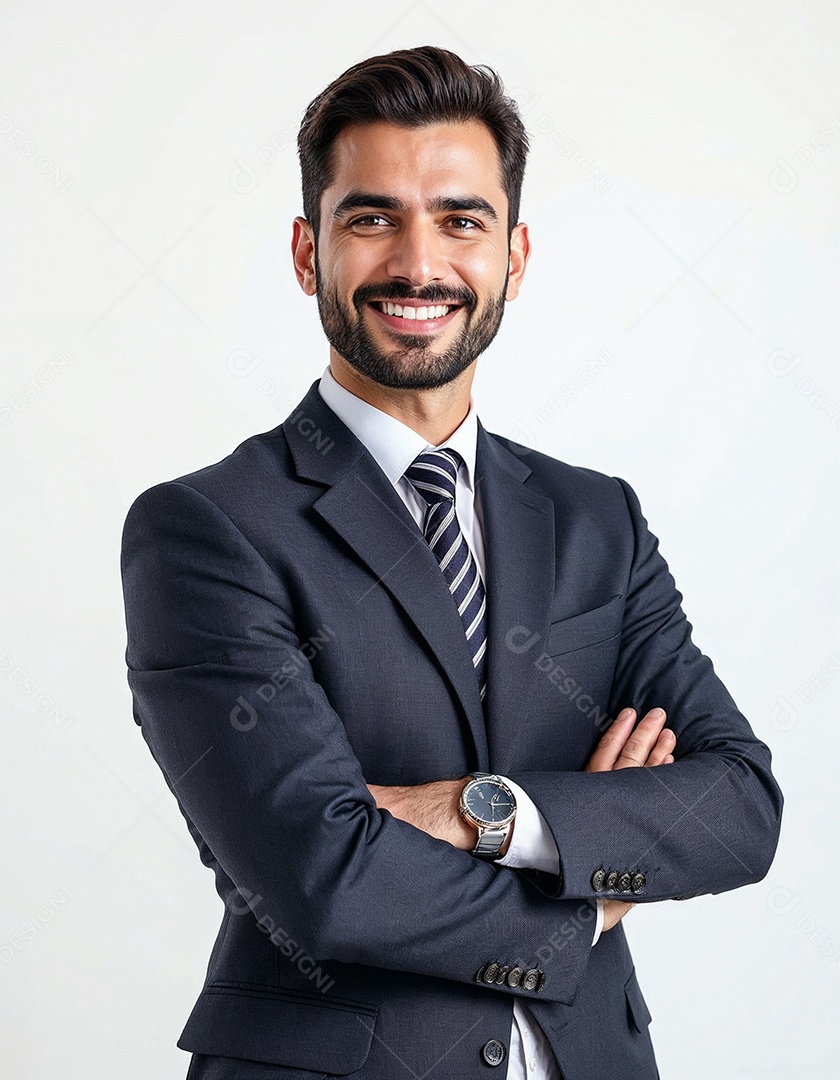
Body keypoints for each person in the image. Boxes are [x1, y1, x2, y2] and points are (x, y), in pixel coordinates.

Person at [120, 45, 783, 1080]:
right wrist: (594, 895)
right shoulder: (207, 530)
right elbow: (320, 875)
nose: (418, 265)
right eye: (371, 217)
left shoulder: (592, 518)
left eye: (460, 220)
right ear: (309, 253)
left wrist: (483, 813)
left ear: (514, 257)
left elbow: (737, 806)